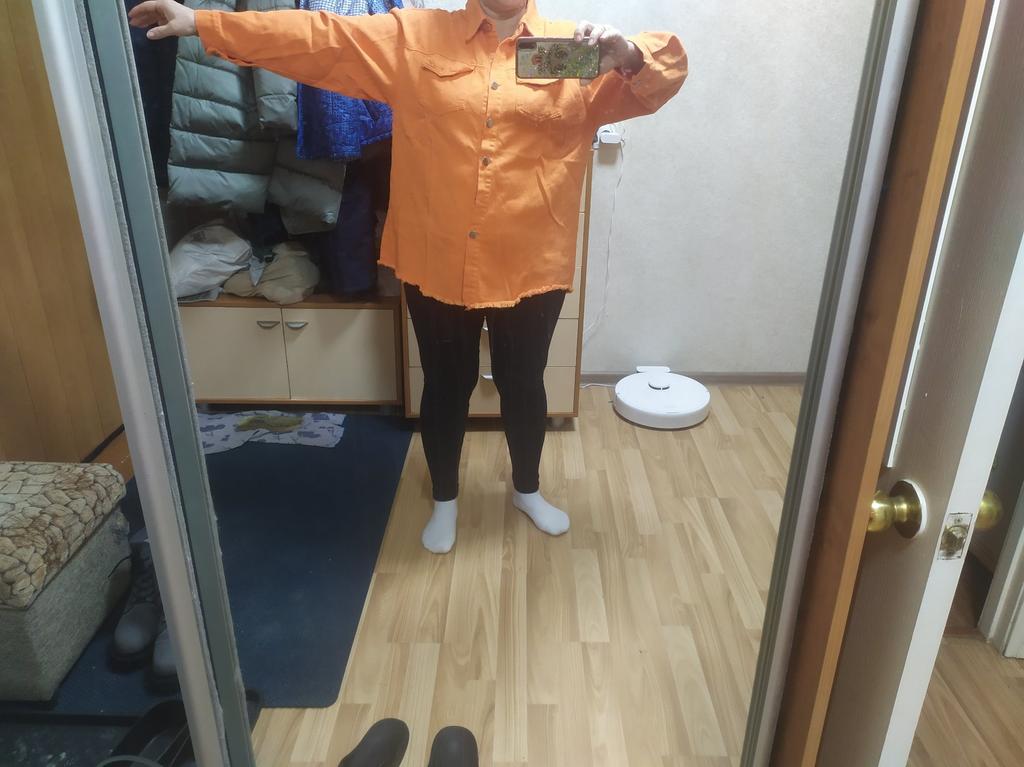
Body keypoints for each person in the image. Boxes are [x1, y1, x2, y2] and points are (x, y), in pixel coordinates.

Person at [129, 0, 687, 554]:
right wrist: (203, 22)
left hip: (530, 260)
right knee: (445, 384)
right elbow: (319, 37)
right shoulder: (414, 37)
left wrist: (629, 54)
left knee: (523, 383)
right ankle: (445, 498)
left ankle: (527, 489)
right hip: (436, 256)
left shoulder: (574, 51)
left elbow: (662, 78)